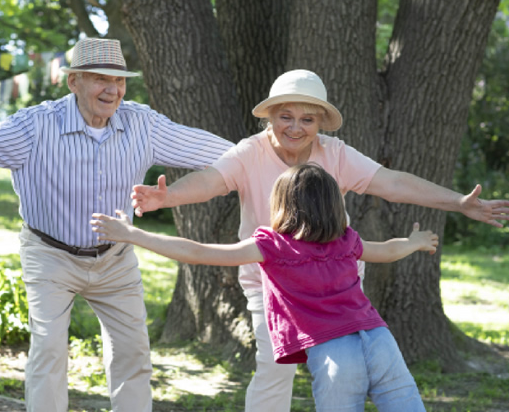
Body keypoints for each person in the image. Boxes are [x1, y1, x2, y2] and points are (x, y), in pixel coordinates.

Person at [0, 37, 234, 412]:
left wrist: (275, 158)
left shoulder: (143, 124)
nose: (113, 90)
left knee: (133, 354)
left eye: (120, 81)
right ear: (73, 81)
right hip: (50, 254)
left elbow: (214, 150)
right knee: (49, 350)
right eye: (100, 79)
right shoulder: (36, 126)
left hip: (116, 257)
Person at [131, 69, 509, 411]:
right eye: (285, 116)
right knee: (274, 372)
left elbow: (394, 182)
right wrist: (170, 196)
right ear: (270, 118)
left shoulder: (335, 153)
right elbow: (210, 181)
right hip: (272, 286)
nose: (295, 127)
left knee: (344, 373)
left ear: (321, 123)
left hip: (334, 284)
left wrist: (457, 202)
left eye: (307, 119)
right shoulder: (250, 151)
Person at [92, 163, 438, 411]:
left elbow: (198, 253)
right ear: (335, 206)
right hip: (379, 339)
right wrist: (415, 241)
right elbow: (389, 250)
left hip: (334, 352)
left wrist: (133, 234)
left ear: (282, 206)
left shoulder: (273, 246)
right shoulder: (346, 240)